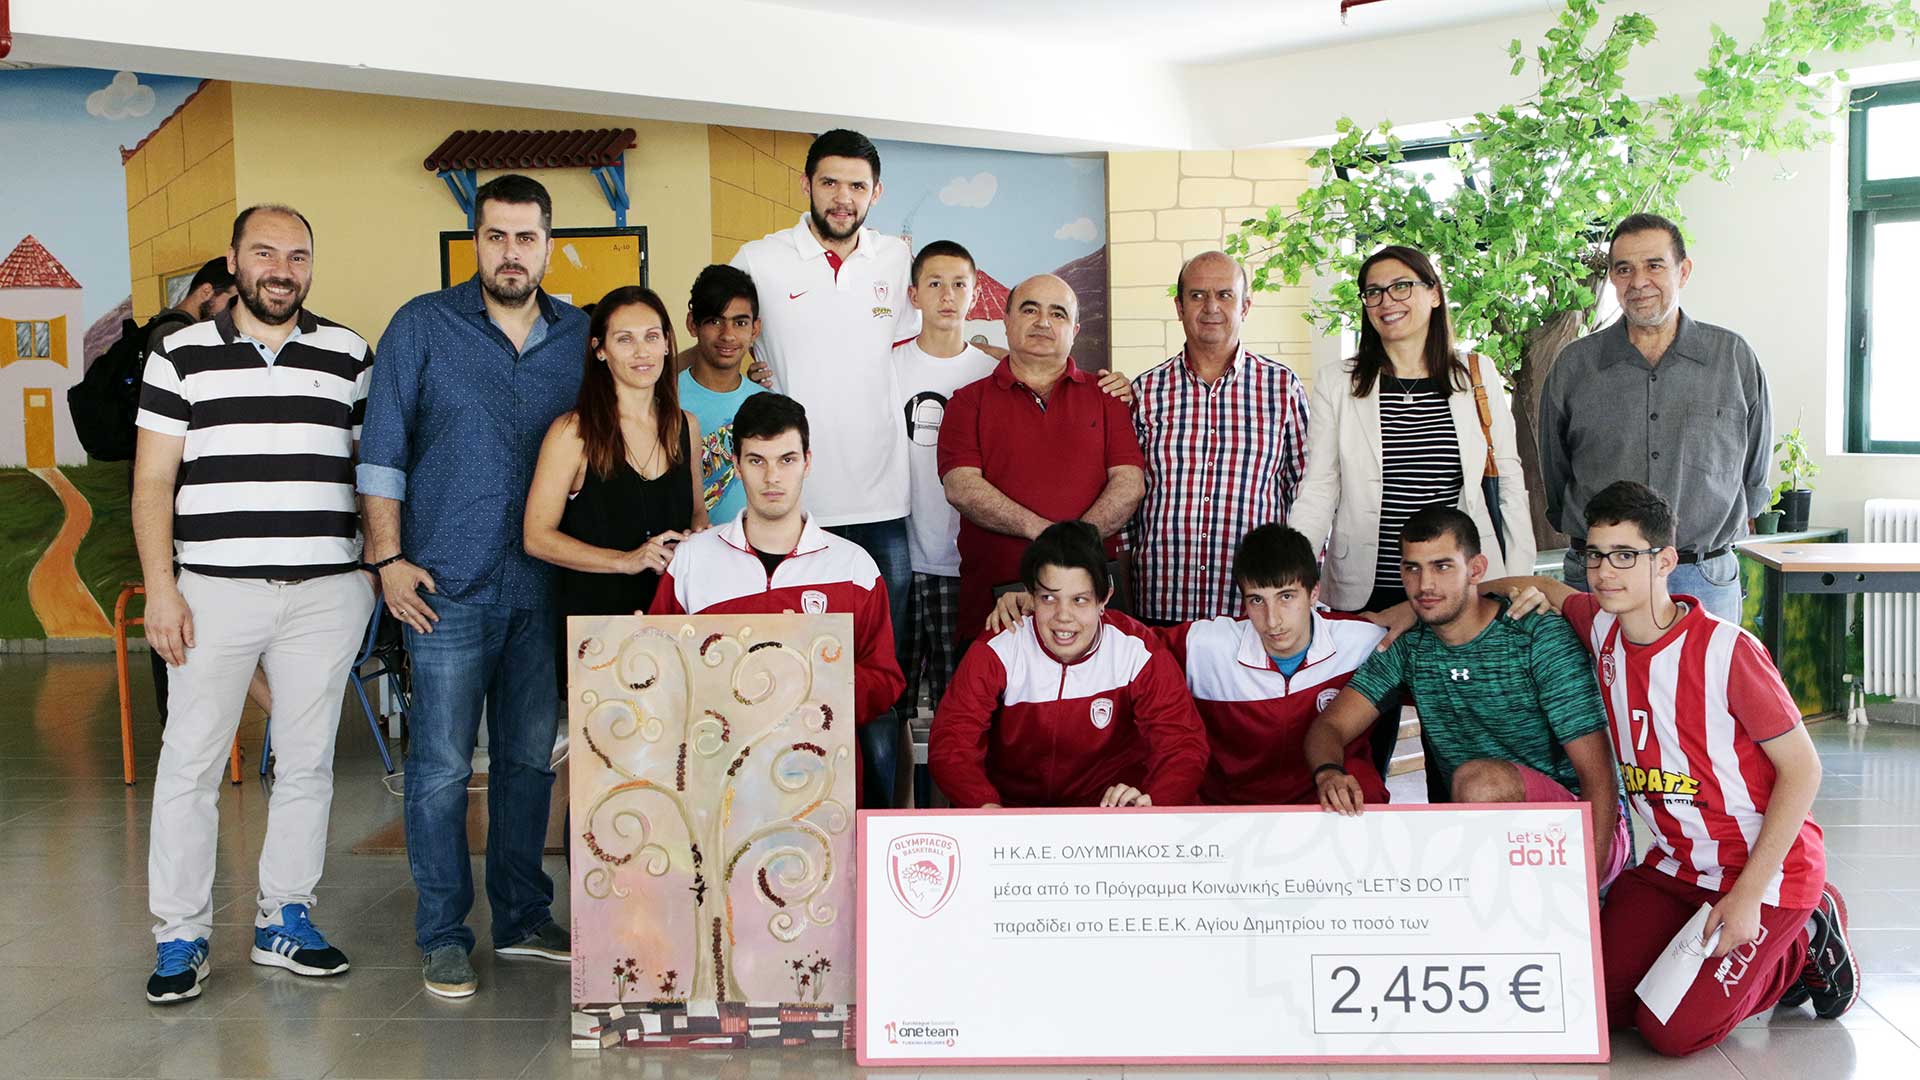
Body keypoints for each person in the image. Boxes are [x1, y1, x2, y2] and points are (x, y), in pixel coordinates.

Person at [1474, 480, 1853, 1053]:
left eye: (1626, 556)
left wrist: (1749, 896)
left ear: (1666, 561)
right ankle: (1697, 953)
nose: (1605, 572)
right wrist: (1419, 607)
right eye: (1596, 555)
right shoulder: (1602, 628)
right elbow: (1542, 587)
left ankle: (1803, 941)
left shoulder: (1727, 651)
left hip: (1764, 875)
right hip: (1675, 868)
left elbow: (1804, 772)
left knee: (1670, 1031)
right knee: (1592, 1004)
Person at [134, 204, 377, 1004]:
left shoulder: (349, 354)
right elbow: (152, 482)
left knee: (307, 762)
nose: (282, 269)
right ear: (234, 260)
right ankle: (180, 935)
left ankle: (284, 918)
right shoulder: (179, 353)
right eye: (265, 253)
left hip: (325, 592)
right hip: (213, 590)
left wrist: (371, 573)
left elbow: (373, 472)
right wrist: (161, 588)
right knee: (190, 764)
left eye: (297, 255)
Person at [358, 175, 587, 999]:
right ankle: (443, 934)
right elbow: (381, 449)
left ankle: (523, 918)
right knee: (442, 769)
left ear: (548, 245)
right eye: (496, 237)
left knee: (528, 763)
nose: (511, 253)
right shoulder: (422, 325)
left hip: (542, 586)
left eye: (526, 238)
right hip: (442, 586)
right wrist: (386, 559)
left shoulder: (580, 336)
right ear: (475, 241)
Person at [1287, 244, 1535, 779]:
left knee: (1464, 747)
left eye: (1402, 285)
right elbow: (1319, 487)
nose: (1387, 300)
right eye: (1373, 291)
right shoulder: (1339, 381)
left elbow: (1508, 481)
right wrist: (1293, 576)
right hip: (1369, 592)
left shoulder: (1475, 374)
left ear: (1434, 294)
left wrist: (1516, 580)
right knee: (1363, 749)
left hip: (1460, 590)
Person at [729, 129, 917, 805]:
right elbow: (724, 340)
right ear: (806, 184)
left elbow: (931, 340)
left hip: (882, 506)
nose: (843, 198)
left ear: (876, 193)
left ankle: (879, 833)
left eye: (857, 186)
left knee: (879, 692)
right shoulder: (760, 259)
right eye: (830, 182)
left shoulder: (897, 258)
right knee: (781, 687)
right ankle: (788, 829)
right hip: (790, 511)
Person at [1304, 507, 1628, 887]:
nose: (1425, 584)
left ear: (1476, 570)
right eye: (1412, 568)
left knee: (1479, 783)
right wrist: (1329, 772)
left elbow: (1599, 775)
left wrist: (1587, 885)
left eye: (1442, 567)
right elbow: (1330, 726)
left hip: (1580, 829)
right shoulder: (1407, 648)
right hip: (1485, 837)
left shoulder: (1538, 636)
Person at [648, 392, 905, 798]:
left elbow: (885, 679)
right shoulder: (693, 560)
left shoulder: (853, 566)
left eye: (786, 460)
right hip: (716, 789)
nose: (772, 477)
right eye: (757, 461)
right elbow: (661, 678)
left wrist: (809, 685)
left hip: (822, 791)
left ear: (807, 462)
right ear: (736, 465)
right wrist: (637, 649)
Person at [1538, 213, 1771, 623]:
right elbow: (1555, 473)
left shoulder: (1732, 358)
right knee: (1595, 670)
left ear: (1684, 271)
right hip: (1601, 578)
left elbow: (1755, 471)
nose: (1639, 281)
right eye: (1624, 269)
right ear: (1612, 278)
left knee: (1705, 671)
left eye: (1654, 265)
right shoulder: (1575, 366)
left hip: (1701, 575)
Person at [931, 522, 1207, 808]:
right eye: (1049, 598)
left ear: (1104, 598)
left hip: (1111, 815)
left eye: (1079, 600)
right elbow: (952, 739)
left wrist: (1153, 803)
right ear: (1031, 596)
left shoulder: (1137, 649)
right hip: (1012, 816)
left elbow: (1182, 743)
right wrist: (984, 805)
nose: (1063, 615)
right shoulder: (1000, 645)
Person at [939, 274, 1145, 651]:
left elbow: (1129, 483)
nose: (1043, 322)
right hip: (995, 609)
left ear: (1074, 330)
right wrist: (1049, 536)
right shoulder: (966, 402)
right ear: (1006, 320)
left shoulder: (1108, 398)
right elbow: (961, 487)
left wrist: (1072, 546)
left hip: (1089, 607)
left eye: (1058, 313)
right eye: (1030, 310)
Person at [525, 285, 706, 678]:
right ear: (600, 349)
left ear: (667, 344)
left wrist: (697, 541)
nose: (642, 352)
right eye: (625, 339)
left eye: (651, 337)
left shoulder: (685, 426)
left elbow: (697, 513)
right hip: (598, 632)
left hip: (673, 623)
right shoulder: (572, 433)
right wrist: (626, 561)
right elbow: (536, 537)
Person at [1128, 251, 1309, 623]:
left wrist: (1302, 588)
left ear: (1245, 306)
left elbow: (1306, 493)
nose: (1211, 307)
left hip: (1253, 611)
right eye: (1197, 295)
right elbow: (1129, 501)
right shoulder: (1146, 391)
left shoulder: (1282, 388)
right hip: (1160, 604)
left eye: (1225, 295)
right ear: (1179, 307)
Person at [130, 258, 268, 729]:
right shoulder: (175, 342)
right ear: (207, 292)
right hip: (177, 511)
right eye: (230, 301)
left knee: (204, 634)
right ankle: (274, 717)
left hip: (187, 510)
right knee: (195, 633)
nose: (235, 313)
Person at [893, 240, 997, 717]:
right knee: (888, 704)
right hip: (897, 555)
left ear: (974, 294)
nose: (947, 295)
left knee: (960, 707)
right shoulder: (887, 365)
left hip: (963, 563)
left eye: (959, 284)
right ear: (914, 294)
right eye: (935, 283)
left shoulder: (993, 373)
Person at [678, 264, 763, 525]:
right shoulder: (662, 400)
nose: (728, 335)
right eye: (715, 321)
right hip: (681, 545)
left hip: (749, 545)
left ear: (755, 329)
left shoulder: (765, 405)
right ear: (692, 324)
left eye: (740, 323)